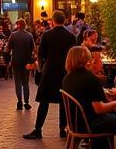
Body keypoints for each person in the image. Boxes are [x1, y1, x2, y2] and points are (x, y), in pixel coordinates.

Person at [60, 46, 116, 149]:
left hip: (76, 123)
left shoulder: (67, 78)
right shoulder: (90, 78)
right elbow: (99, 109)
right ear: (87, 60)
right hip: (90, 124)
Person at [24, 11, 77, 140]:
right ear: (64, 20)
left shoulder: (47, 35)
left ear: (53, 21)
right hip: (65, 72)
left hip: (49, 71)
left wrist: (39, 66)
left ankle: (38, 129)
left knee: (44, 101)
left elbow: (41, 54)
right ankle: (63, 129)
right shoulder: (71, 36)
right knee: (63, 101)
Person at [6, 18, 35, 111]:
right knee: (25, 83)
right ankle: (27, 102)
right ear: (25, 25)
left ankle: (19, 102)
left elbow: (8, 49)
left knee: (17, 83)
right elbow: (33, 49)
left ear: (18, 25)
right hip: (26, 61)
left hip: (16, 61)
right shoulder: (29, 36)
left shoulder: (13, 35)